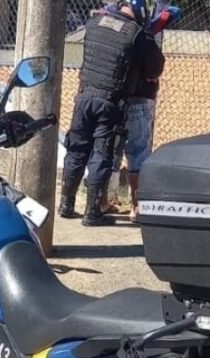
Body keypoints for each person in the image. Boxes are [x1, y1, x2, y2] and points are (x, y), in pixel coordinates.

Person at [59, 0, 161, 227]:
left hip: (83, 97)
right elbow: (155, 68)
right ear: (140, 11)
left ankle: (66, 204)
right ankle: (92, 212)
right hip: (110, 102)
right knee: (101, 154)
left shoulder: (94, 23)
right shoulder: (137, 34)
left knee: (76, 149)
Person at [105, 2, 181, 222]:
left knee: (109, 149)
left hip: (115, 97)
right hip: (140, 96)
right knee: (138, 152)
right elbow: (154, 69)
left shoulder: (112, 26)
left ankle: (101, 201)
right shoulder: (144, 33)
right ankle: (136, 207)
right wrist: (155, 23)